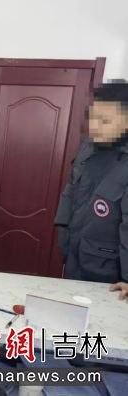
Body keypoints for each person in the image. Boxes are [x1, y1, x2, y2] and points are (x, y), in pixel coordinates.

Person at [55, 81, 128, 285]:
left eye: (104, 121)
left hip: (110, 274)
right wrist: (64, 240)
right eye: (94, 118)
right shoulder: (87, 148)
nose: (95, 127)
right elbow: (70, 195)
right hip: (75, 257)